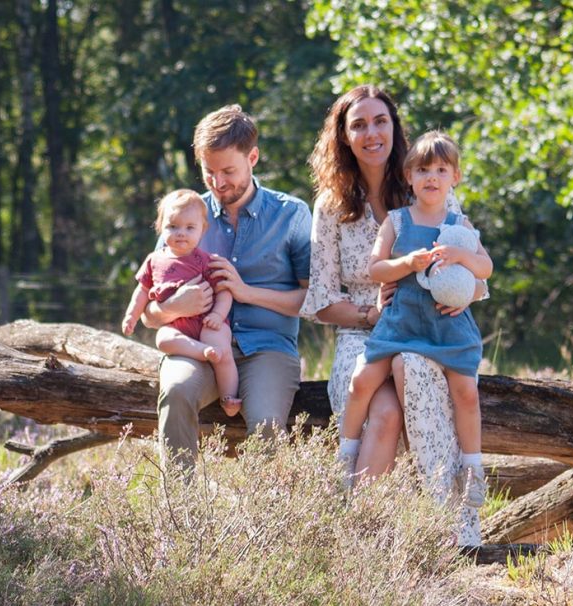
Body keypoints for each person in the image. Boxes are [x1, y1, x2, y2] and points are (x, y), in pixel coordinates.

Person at [301, 85, 484, 544]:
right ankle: (360, 537)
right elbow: (322, 300)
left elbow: (474, 271)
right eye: (358, 125)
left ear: (394, 127)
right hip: (363, 333)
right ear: (344, 137)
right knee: (382, 413)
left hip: (428, 327)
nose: (371, 133)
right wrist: (372, 314)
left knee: (415, 370)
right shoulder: (331, 206)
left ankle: (452, 525)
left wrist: (464, 296)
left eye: (380, 121)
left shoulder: (427, 179)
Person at [142, 104, 311, 470]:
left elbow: (312, 301)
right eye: (209, 172)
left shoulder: (292, 214)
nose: (218, 183)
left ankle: (265, 506)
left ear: (253, 158)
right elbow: (148, 316)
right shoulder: (184, 217)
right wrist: (174, 306)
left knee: (266, 424)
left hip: (267, 349)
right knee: (176, 391)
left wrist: (245, 292)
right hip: (197, 347)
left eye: (228, 171)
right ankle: (180, 502)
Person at [339, 131, 492, 506]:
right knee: (361, 381)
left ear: (455, 177)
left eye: (441, 170)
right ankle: (345, 454)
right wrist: (406, 263)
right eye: (423, 170)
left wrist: (460, 256)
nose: (431, 178)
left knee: (466, 393)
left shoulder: (459, 224)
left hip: (446, 326)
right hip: (402, 323)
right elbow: (375, 268)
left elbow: (486, 268)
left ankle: (472, 468)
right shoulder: (398, 221)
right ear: (409, 176)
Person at [122, 189, 242, 418]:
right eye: (173, 226)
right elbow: (142, 291)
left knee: (223, 352)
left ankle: (229, 397)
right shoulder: (154, 260)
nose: (181, 233)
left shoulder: (206, 261)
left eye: (189, 228)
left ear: (202, 230)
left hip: (207, 322)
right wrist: (131, 316)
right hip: (177, 326)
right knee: (163, 339)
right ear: (160, 227)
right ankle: (202, 352)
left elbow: (224, 291)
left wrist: (217, 315)